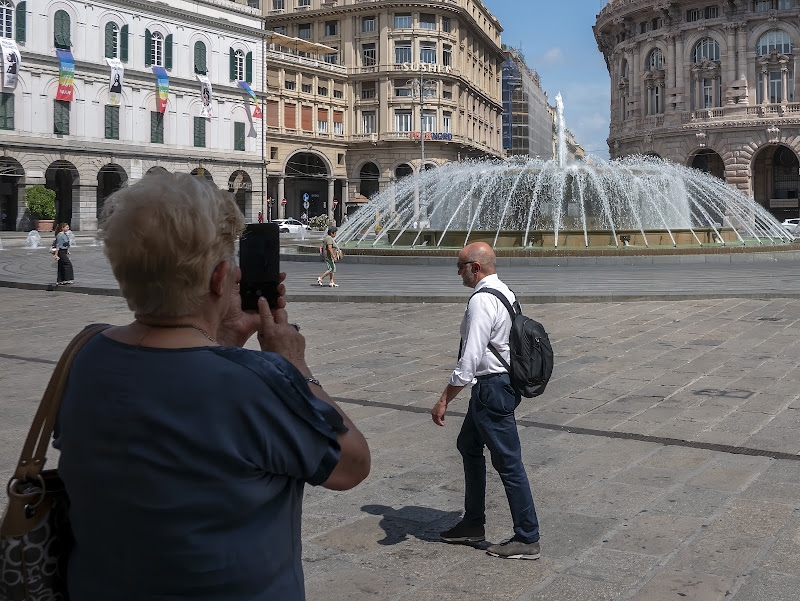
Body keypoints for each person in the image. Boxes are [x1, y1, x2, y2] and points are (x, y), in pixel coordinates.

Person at [52, 172, 370, 600]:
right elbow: (351, 465)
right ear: (221, 279)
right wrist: (293, 363)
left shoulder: (86, 353)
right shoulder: (257, 382)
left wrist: (225, 339)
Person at [431, 242, 541, 560]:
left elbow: (469, 362)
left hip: (491, 389)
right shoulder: (505, 291)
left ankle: (528, 537)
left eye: (460, 266)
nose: (458, 272)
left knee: (509, 464)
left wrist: (443, 400)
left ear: (475, 268)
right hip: (499, 386)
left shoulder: (481, 300)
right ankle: (472, 523)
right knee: (468, 445)